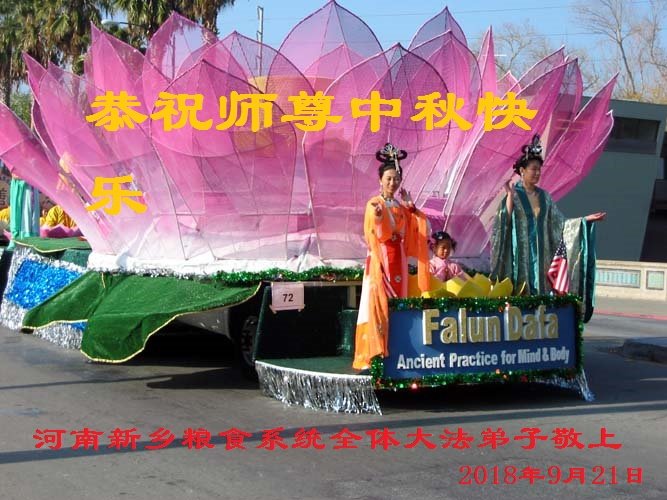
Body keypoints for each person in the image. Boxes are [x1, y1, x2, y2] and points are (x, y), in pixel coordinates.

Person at [490, 135, 605, 319]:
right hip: (521, 258)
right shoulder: (515, 195)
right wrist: (510, 197)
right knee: (521, 294)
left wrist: (584, 221)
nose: (537, 173)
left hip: (543, 259)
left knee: (542, 298)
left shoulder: (545, 197)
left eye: (539, 170)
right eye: (533, 169)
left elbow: (560, 224)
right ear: (522, 170)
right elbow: (503, 222)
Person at [353, 144, 431, 370]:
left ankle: (397, 350)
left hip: (399, 259)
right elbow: (375, 231)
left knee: (399, 301)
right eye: (388, 178)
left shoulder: (400, 206)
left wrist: (412, 208)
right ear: (380, 180)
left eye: (396, 179)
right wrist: (378, 218)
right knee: (378, 303)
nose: (392, 183)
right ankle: (374, 352)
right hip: (381, 262)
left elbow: (422, 227)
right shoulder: (374, 203)